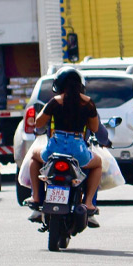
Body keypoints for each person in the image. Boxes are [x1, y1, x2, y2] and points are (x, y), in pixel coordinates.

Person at [29, 67, 104, 226]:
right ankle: (89, 202)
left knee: (34, 157)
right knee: (98, 164)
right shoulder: (88, 103)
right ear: (81, 85)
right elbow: (95, 128)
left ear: (58, 85)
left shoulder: (55, 101)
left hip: (54, 149)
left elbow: (38, 123)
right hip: (78, 151)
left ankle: (36, 197)